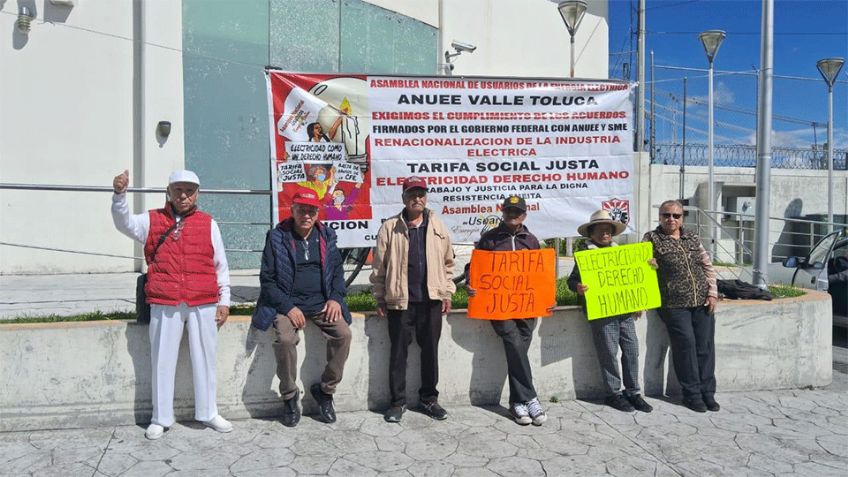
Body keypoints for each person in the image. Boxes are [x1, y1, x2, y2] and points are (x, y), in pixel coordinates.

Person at [111, 169, 232, 440]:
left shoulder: (208, 223)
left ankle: (208, 412)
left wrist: (224, 300)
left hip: (203, 300)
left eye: (189, 190)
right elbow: (124, 223)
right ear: (169, 192)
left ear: (197, 194)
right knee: (162, 360)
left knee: (206, 359)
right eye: (178, 190)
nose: (183, 195)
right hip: (165, 300)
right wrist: (119, 196)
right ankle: (160, 417)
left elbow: (221, 265)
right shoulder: (152, 220)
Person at [254, 190, 352, 427]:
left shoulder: (327, 236)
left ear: (318, 214)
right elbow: (267, 280)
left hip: (322, 303)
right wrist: (288, 307)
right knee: (286, 340)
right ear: (293, 210)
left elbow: (337, 273)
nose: (306, 215)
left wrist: (335, 299)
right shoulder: (277, 237)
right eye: (302, 210)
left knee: (344, 334)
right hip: (287, 303)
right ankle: (289, 396)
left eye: (311, 211)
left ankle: (326, 391)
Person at [370, 176, 455, 423]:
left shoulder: (438, 225)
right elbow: (379, 267)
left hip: (431, 301)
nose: (416, 199)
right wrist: (379, 297)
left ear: (425, 197)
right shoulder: (390, 227)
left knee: (430, 352)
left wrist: (446, 292)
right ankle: (397, 403)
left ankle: (429, 399)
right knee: (398, 354)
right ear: (403, 198)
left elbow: (449, 263)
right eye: (411, 194)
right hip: (400, 301)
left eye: (421, 194)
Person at [467, 195, 548, 426]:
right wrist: (471, 284)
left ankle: (517, 403)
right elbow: (474, 267)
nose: (513, 215)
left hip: (527, 308)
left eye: (517, 211)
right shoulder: (490, 239)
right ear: (502, 212)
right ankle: (531, 397)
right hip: (499, 307)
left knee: (518, 351)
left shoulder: (531, 240)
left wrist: (547, 297)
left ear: (524, 214)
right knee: (513, 343)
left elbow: (541, 275)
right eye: (509, 211)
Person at [568, 210, 653, 413]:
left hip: (624, 311)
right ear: (592, 233)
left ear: (612, 233)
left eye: (607, 230)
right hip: (602, 313)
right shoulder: (585, 256)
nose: (604, 234)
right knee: (608, 353)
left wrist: (650, 269)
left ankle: (633, 392)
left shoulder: (623, 253)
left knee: (632, 350)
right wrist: (578, 286)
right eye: (600, 230)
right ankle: (613, 393)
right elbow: (571, 281)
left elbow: (634, 279)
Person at [643, 200, 719, 413]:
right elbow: (640, 266)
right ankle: (692, 394)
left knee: (704, 348)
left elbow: (707, 265)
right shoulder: (651, 238)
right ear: (660, 217)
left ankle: (708, 393)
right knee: (685, 346)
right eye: (666, 215)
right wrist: (650, 266)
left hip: (702, 301)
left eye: (676, 215)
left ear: (682, 218)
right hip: (674, 304)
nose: (671, 219)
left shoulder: (692, 237)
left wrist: (712, 293)